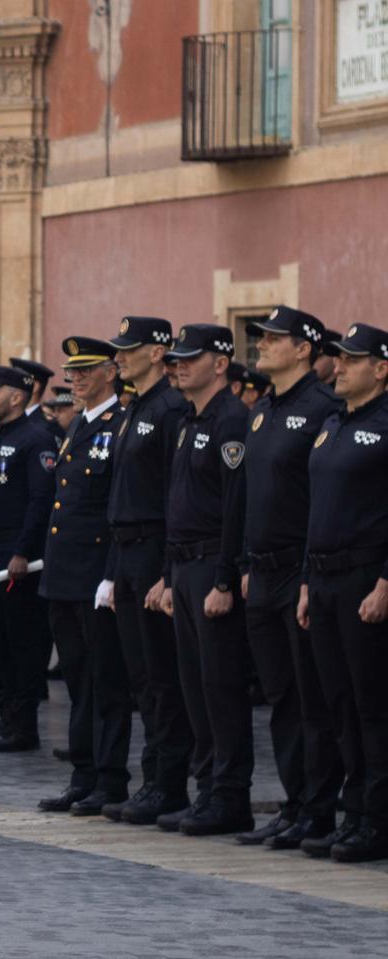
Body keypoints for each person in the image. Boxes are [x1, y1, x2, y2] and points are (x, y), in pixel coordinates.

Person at [229, 307, 342, 848]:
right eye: (262, 338)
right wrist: (247, 563)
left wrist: (302, 574)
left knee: (310, 698)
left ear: (304, 349)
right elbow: (253, 497)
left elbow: (322, 500)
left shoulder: (323, 408)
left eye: (274, 339)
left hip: (301, 570)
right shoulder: (264, 411)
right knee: (280, 697)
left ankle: (320, 809)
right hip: (263, 571)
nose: (262, 346)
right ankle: (295, 803)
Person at [101, 315, 195, 828]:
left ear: (158, 352)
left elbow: (170, 498)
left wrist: (165, 571)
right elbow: (121, 495)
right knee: (141, 677)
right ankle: (153, 778)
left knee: (162, 677)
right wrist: (114, 573)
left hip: (156, 550)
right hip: (128, 551)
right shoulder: (135, 407)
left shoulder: (170, 409)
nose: (120, 357)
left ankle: (168, 783)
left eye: (129, 349)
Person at [161, 324, 255, 835]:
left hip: (210, 567)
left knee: (221, 686)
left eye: (189, 358)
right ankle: (206, 790)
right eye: (175, 359)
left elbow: (233, 509)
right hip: (183, 567)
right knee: (195, 687)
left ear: (221, 362)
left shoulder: (231, 420)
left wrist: (224, 579)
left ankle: (229, 794)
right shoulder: (189, 419)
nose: (178, 366)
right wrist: (168, 574)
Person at [299, 323, 388, 863]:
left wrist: (385, 581)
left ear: (381, 368)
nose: (341, 366)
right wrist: (308, 582)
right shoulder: (332, 423)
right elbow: (318, 512)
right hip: (326, 580)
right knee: (339, 705)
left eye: (353, 360)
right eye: (341, 358)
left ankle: (376, 820)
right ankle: (352, 811)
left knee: (372, 705)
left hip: (364, 580)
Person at [37, 337, 132, 816]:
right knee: (78, 679)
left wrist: (111, 574)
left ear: (111, 372)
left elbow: (116, 509)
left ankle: (110, 778)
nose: (74, 379)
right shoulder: (79, 425)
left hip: (95, 574)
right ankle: (83, 774)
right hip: (65, 574)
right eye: (71, 372)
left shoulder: (119, 426)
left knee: (105, 682)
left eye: (85, 370)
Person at [0, 365, 57, 758]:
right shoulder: (1, 439)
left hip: (15, 556)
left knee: (22, 643)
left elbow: (40, 501)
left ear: (18, 396)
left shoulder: (35, 440)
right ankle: (7, 716)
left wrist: (24, 550)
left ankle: (23, 725)